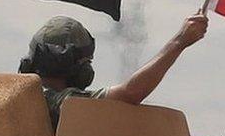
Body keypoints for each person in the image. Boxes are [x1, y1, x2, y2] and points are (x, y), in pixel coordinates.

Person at [18, 12, 208, 128]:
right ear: (78, 68)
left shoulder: (10, 96)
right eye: (87, 62)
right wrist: (179, 42)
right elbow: (130, 93)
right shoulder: (62, 104)